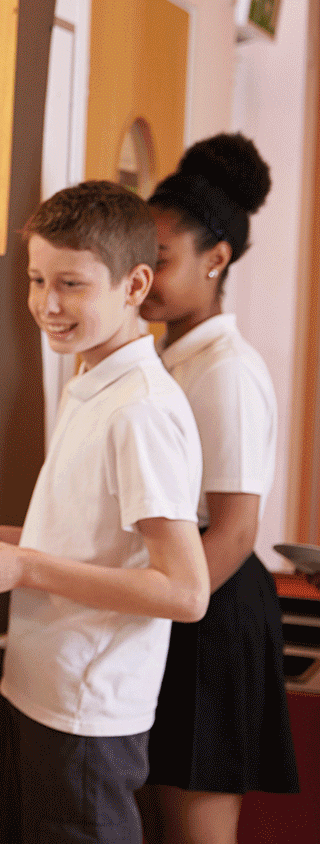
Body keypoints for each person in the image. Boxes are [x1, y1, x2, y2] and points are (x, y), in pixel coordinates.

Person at [0, 180, 210, 843]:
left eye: (72, 284)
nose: (47, 305)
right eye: (36, 279)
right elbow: (96, 539)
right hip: (42, 688)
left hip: (87, 715)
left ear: (135, 285)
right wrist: (4, 540)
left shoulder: (141, 408)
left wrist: (22, 564)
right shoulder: (89, 380)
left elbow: (184, 589)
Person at [136, 133, 300, 843]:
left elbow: (234, 530)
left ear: (217, 259)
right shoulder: (171, 357)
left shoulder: (225, 371)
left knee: (196, 825)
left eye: (161, 260)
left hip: (212, 608)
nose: (141, 276)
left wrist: (154, 609)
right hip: (183, 597)